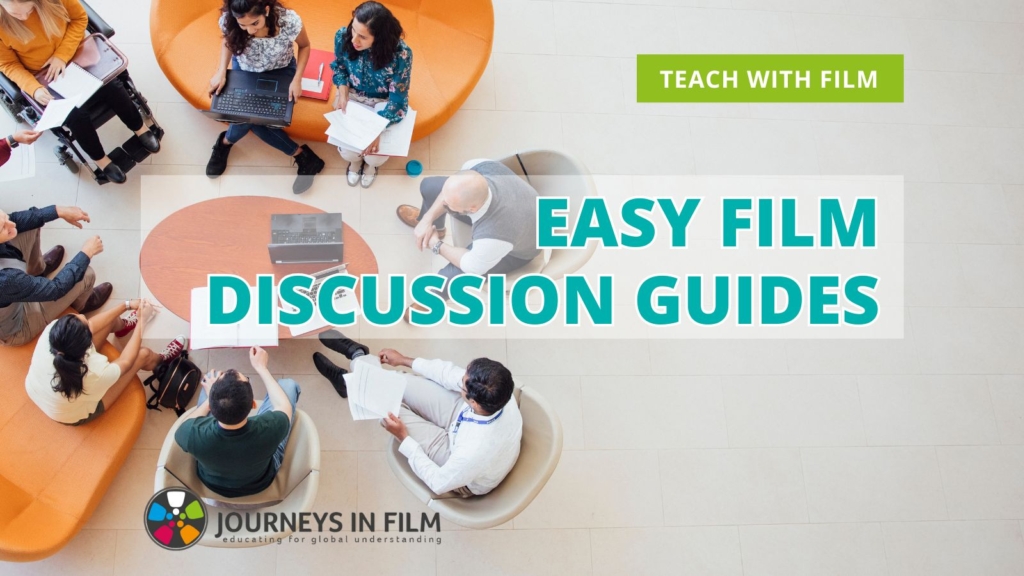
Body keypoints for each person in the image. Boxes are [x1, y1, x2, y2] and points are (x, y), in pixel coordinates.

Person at [313, 331, 522, 497]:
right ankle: (358, 359)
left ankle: (348, 382)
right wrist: (404, 360)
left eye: (463, 383)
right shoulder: (497, 389)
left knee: (385, 409)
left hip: (458, 463)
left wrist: (403, 438)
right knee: (396, 383)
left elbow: (438, 482)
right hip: (463, 417)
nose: (460, 379)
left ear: (474, 402)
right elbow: (447, 373)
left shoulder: (472, 454)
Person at [0, 0, 161, 184]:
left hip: (76, 55)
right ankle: (101, 160)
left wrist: (61, 56)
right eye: (16, 14)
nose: (24, 17)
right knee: (75, 116)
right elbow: (8, 64)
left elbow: (79, 19)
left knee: (113, 87)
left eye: (29, 10)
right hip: (44, 76)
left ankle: (140, 128)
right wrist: (34, 89)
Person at [206, 0, 325, 194]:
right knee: (250, 118)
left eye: (255, 23)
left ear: (267, 11)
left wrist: (297, 79)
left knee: (251, 119)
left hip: (281, 70)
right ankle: (303, 156)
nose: (249, 31)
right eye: (242, 25)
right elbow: (228, 42)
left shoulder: (288, 20)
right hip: (245, 69)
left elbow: (304, 46)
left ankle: (225, 142)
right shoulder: (229, 18)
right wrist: (221, 71)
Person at [395, 159, 541, 311]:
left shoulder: (495, 234)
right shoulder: (481, 166)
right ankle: (436, 228)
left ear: (472, 208)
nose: (444, 203)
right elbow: (447, 194)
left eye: (449, 205)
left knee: (454, 276)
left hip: (520, 247)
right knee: (430, 186)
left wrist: (436, 244)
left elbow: (472, 266)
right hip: (521, 207)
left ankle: (431, 300)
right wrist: (427, 219)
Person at [25, 300, 187, 425]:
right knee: (142, 354)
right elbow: (126, 361)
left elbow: (93, 326)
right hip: (70, 415)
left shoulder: (53, 331)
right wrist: (142, 321)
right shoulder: (95, 372)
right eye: (85, 323)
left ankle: (123, 327)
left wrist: (127, 305)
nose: (84, 317)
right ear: (85, 347)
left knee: (108, 321)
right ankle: (159, 360)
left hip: (38, 389)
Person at [174, 346, 299, 498]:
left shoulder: (190, 433)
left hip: (213, 484)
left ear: (211, 410)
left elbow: (186, 425)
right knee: (288, 386)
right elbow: (283, 406)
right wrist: (261, 368)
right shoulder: (272, 427)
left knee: (209, 377)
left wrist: (210, 399)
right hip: (260, 481)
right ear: (254, 404)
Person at [0, 205, 113, 346]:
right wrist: (87, 252)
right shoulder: (6, 280)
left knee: (29, 225)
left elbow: (15, 219)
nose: (11, 223)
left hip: (15, 286)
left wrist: (58, 211)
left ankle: (38, 272)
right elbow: (56, 288)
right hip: (18, 324)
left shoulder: (9, 224)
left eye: (4, 218)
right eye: (3, 228)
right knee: (86, 274)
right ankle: (79, 305)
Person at [330, 1, 411, 188]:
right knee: (349, 152)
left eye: (363, 37)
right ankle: (355, 162)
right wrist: (343, 93)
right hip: (353, 95)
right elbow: (339, 68)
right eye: (354, 30)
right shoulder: (343, 36)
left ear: (380, 38)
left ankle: (370, 166)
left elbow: (398, 97)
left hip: (383, 101)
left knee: (376, 156)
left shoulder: (401, 54)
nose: (354, 40)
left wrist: (377, 127)